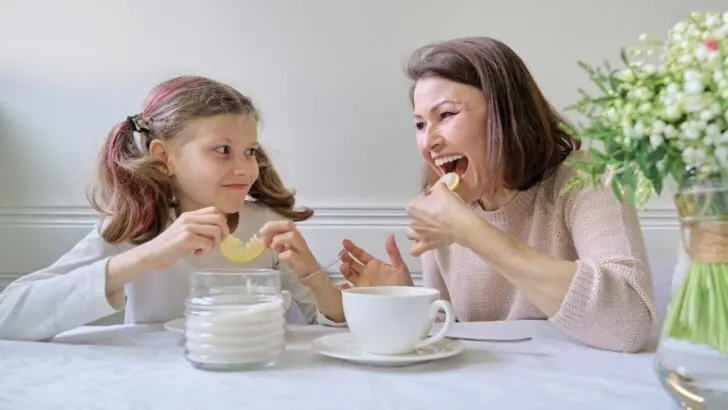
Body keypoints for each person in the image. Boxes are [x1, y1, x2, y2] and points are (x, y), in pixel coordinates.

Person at [338, 37, 656, 353]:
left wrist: (472, 233)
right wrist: (402, 301)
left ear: (505, 113)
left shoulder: (585, 179)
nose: (428, 141)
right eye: (420, 124)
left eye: (446, 115)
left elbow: (630, 326)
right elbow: (448, 342)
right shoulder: (439, 205)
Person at [0, 75, 345, 341]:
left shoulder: (267, 224)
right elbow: (9, 317)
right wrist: (147, 255)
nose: (246, 168)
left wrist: (313, 274)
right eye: (223, 149)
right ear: (165, 157)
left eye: (250, 151)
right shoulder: (135, 228)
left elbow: (325, 328)